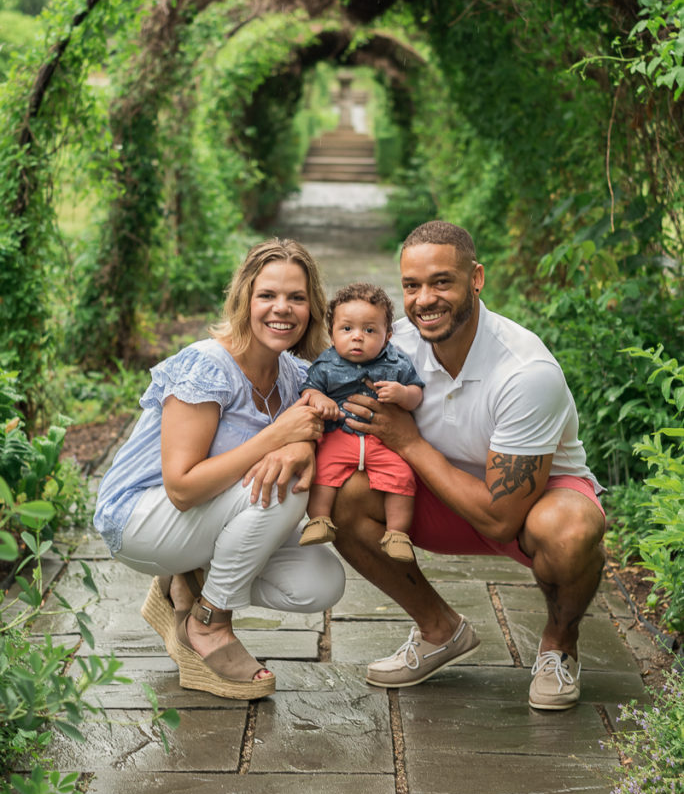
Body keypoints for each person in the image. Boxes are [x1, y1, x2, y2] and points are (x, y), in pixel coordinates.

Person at [331, 221, 606, 711]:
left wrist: (409, 443)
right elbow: (319, 384)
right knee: (342, 493)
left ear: (476, 279)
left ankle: (560, 645)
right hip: (441, 492)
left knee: (569, 531)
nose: (424, 300)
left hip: (531, 500)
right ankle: (439, 631)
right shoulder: (393, 348)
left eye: (442, 282)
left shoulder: (525, 372)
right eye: (411, 286)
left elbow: (502, 518)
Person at [94, 239, 346, 700]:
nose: (282, 309)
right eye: (267, 295)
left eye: (296, 297)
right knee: (281, 485)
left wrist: (304, 444)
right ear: (244, 298)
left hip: (196, 520)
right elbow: (182, 489)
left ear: (312, 308)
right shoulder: (208, 366)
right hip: (140, 516)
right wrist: (277, 438)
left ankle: (186, 582)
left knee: (321, 582)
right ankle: (208, 624)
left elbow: (319, 430)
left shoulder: (291, 373)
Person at [297, 282, 424, 562]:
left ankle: (397, 534)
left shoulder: (397, 363)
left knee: (402, 477)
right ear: (331, 334)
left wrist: (403, 394)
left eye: (369, 330)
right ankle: (319, 520)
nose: (357, 337)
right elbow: (308, 389)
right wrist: (319, 398)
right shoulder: (326, 364)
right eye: (347, 329)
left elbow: (417, 393)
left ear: (387, 336)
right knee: (323, 472)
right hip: (340, 435)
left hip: (383, 442)